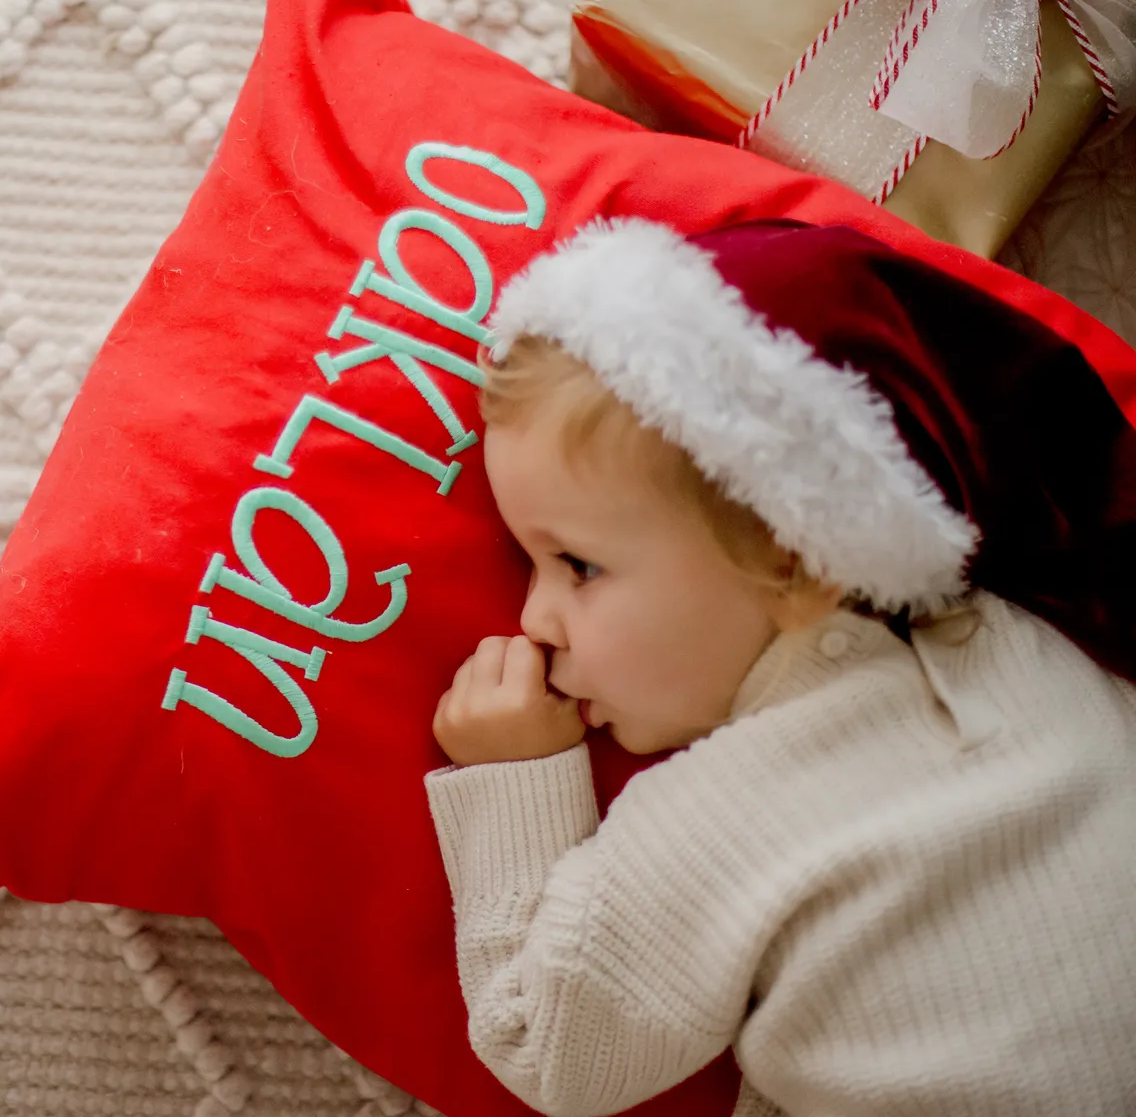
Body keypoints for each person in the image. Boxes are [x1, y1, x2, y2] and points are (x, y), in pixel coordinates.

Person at [424, 217, 1136, 1117]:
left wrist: (515, 778)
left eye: (578, 566)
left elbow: (550, 1048)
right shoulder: (1042, 641)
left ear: (793, 558)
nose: (534, 621)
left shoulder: (713, 820)